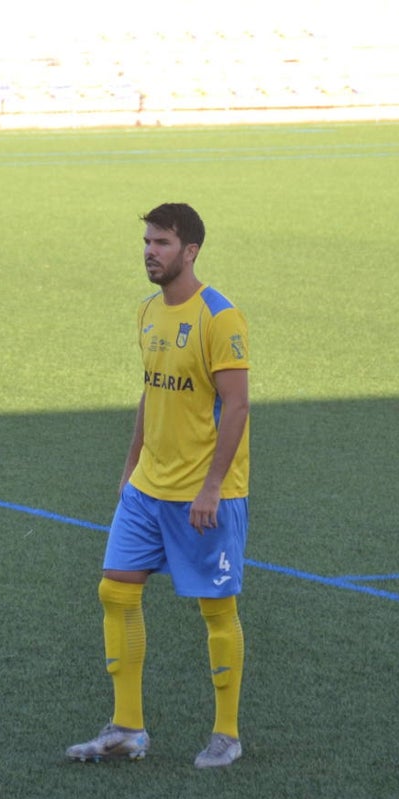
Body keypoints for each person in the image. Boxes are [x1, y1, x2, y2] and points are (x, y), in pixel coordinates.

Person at [66, 203, 251, 769]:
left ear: (190, 251)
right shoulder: (147, 311)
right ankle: (127, 728)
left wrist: (212, 487)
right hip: (147, 488)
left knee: (216, 609)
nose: (150, 251)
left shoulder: (221, 318)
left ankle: (226, 733)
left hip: (204, 493)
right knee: (115, 591)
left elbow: (238, 404)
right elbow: (152, 392)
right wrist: (129, 468)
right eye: (147, 241)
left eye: (163, 243)